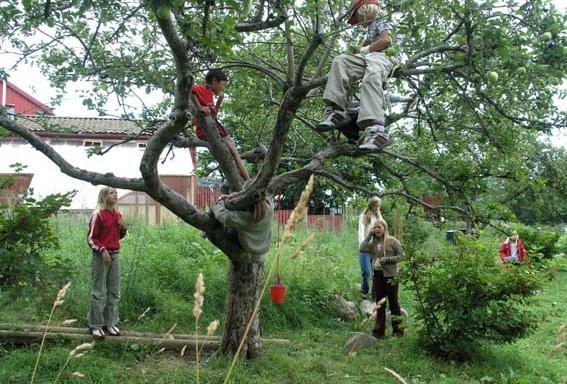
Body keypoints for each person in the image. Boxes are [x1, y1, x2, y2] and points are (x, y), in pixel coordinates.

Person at [319, 0, 400, 151]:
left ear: (364, 11)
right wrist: (357, 50)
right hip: (371, 56)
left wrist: (363, 50)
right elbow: (364, 48)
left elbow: (386, 41)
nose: (357, 22)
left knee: (371, 76)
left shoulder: (382, 16)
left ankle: (376, 130)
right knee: (341, 61)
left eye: (357, 17)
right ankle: (337, 110)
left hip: (385, 56)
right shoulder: (371, 27)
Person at [192, 69, 250, 180]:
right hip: (204, 130)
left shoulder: (210, 94)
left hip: (212, 127)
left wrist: (219, 100)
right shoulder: (202, 89)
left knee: (231, 152)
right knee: (234, 151)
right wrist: (199, 107)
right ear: (215, 81)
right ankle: (248, 179)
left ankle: (242, 178)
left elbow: (213, 116)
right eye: (222, 84)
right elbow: (190, 90)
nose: (222, 88)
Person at [87, 187, 127, 339]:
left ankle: (110, 324)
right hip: (101, 256)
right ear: (103, 197)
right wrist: (102, 251)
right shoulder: (98, 215)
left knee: (114, 292)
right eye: (111, 193)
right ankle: (95, 326)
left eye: (116, 193)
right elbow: (91, 238)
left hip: (115, 255)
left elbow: (118, 236)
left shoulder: (117, 214)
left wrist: (123, 227)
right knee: (98, 292)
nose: (115, 195)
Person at [360, 218, 405, 338]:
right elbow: (362, 248)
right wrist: (369, 235)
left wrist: (388, 260)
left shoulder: (392, 241)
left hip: (391, 276)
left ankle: (398, 331)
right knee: (379, 303)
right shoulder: (372, 243)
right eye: (374, 227)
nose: (376, 229)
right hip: (377, 276)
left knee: (393, 303)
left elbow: (402, 256)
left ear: (385, 228)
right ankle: (379, 331)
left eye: (379, 227)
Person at [211, 188, 274, 256]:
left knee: (229, 222)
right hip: (264, 246)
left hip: (250, 248)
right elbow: (258, 195)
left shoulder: (245, 217)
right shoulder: (270, 206)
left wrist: (220, 201)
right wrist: (235, 196)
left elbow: (222, 216)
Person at [358, 196, 383, 300]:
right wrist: (362, 245)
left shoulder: (378, 218)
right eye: (375, 205)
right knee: (367, 271)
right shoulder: (363, 216)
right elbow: (360, 232)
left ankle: (374, 293)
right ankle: (364, 290)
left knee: (376, 272)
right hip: (365, 248)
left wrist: (379, 214)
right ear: (371, 205)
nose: (377, 208)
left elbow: (383, 227)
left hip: (376, 248)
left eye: (378, 206)